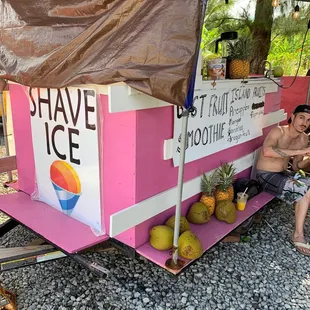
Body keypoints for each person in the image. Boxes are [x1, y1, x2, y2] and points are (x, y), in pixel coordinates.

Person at [256, 104, 310, 256]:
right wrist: (302, 151)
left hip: (284, 174)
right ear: (292, 117)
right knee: (304, 190)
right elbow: (267, 151)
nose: (304, 122)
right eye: (301, 117)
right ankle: (298, 235)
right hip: (265, 175)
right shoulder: (278, 131)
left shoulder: (304, 138)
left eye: (308, 120)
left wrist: (307, 160)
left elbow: (295, 166)